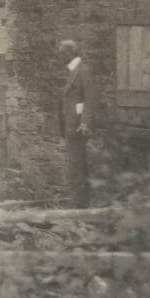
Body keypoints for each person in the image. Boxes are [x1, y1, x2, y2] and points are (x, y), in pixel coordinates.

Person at [57, 39, 94, 207]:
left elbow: (89, 98)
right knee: (74, 163)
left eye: (62, 53)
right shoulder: (70, 70)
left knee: (78, 163)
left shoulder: (83, 70)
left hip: (78, 126)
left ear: (70, 53)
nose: (60, 56)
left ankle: (80, 202)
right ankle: (78, 199)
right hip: (70, 124)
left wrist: (85, 122)